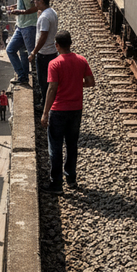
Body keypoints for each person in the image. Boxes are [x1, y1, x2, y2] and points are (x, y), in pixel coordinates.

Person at [40, 30, 95, 194]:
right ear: (70, 43)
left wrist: (45, 113)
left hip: (58, 111)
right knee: (72, 145)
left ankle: (56, 184)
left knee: (55, 148)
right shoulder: (81, 60)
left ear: (57, 45)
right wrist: (76, 85)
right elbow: (91, 82)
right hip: (76, 110)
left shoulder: (54, 64)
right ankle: (71, 179)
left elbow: (52, 89)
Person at [6, 0, 39, 86]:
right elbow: (24, 3)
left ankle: (37, 79)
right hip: (20, 26)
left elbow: (36, 7)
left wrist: (22, 12)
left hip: (29, 26)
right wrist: (14, 7)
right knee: (11, 50)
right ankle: (22, 75)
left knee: (30, 54)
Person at [28, 0, 59, 108]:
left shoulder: (45, 17)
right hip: (51, 52)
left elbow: (43, 36)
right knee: (49, 79)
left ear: (41, 1)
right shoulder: (52, 12)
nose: (34, 2)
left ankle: (45, 105)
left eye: (36, 0)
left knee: (43, 81)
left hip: (44, 54)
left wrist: (34, 52)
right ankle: (47, 103)